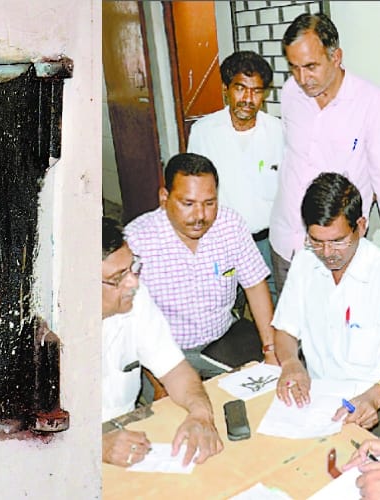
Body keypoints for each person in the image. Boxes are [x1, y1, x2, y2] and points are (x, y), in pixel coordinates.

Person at [269, 12, 380, 297]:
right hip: (286, 241)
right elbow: (291, 158)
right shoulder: (290, 92)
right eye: (294, 67)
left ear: (336, 57)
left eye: (311, 66)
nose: (302, 78)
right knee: (290, 321)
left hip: (337, 252)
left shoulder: (370, 103)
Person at [125, 153, 277, 379]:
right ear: (164, 198)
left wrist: (270, 350)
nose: (200, 216)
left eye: (209, 203)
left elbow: (255, 285)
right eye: (188, 204)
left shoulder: (230, 225)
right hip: (163, 354)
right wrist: (154, 381)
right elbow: (125, 319)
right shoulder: (137, 241)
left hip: (223, 341)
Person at [273, 172, 380, 436]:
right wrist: (291, 363)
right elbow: (285, 330)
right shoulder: (305, 262)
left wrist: (374, 397)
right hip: (318, 399)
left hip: (378, 401)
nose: (327, 253)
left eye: (337, 241)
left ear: (361, 227)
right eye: (316, 241)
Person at [102, 217, 223, 467]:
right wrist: (97, 445)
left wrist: (200, 414)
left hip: (126, 434)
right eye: (117, 278)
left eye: (133, 267)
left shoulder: (136, 298)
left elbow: (175, 369)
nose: (133, 282)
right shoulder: (37, 334)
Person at [187, 50, 283, 304]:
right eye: (240, 89)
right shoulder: (203, 132)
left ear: (265, 94)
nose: (248, 99)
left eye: (256, 91)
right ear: (226, 89)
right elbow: (193, 190)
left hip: (267, 242)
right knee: (223, 304)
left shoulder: (278, 132)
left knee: (271, 303)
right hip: (220, 242)